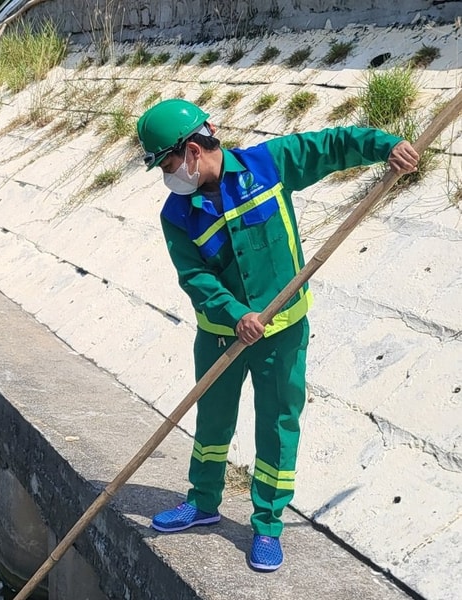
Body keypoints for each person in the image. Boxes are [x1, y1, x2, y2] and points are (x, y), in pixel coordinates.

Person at [136, 98, 419, 572]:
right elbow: (195, 278)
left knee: (277, 425)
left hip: (282, 332)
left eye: (167, 162)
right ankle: (202, 503)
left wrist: (388, 147)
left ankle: (267, 525)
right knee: (212, 424)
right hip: (221, 335)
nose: (169, 175)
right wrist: (234, 313)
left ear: (193, 150)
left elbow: (332, 146)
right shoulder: (177, 214)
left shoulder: (268, 165)